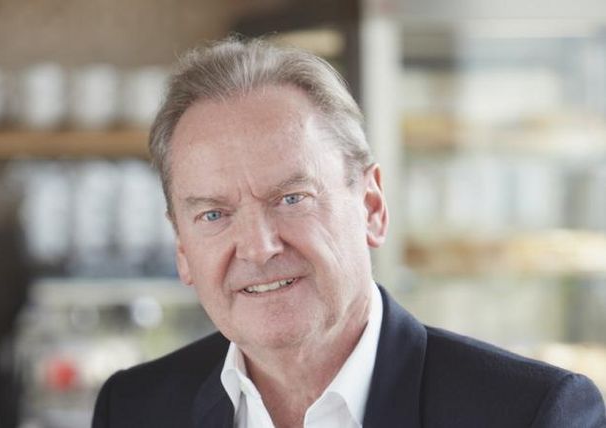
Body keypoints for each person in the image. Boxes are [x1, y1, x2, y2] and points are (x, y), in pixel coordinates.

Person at [92, 37, 606, 428]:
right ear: (182, 249)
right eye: (213, 215)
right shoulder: (134, 409)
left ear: (371, 207)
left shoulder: (531, 413)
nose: (259, 247)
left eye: (292, 198)